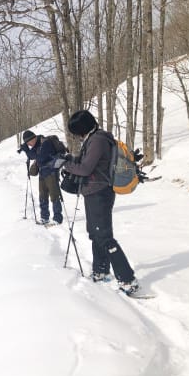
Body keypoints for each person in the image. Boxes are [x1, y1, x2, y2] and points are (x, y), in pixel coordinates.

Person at [51, 110, 140, 295]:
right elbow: (86, 162)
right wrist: (69, 159)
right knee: (95, 233)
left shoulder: (98, 140)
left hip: (100, 193)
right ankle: (101, 271)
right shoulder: (92, 139)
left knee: (104, 236)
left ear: (82, 128)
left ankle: (128, 279)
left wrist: (65, 165)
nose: (76, 136)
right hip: (93, 192)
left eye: (76, 131)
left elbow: (85, 168)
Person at [20, 130, 63, 224]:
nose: (30, 145)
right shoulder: (36, 145)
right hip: (42, 172)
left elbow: (40, 157)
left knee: (54, 196)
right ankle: (44, 217)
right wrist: (26, 150)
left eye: (29, 142)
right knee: (42, 196)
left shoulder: (45, 142)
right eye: (28, 144)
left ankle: (57, 218)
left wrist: (27, 150)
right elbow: (32, 156)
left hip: (51, 172)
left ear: (33, 138)